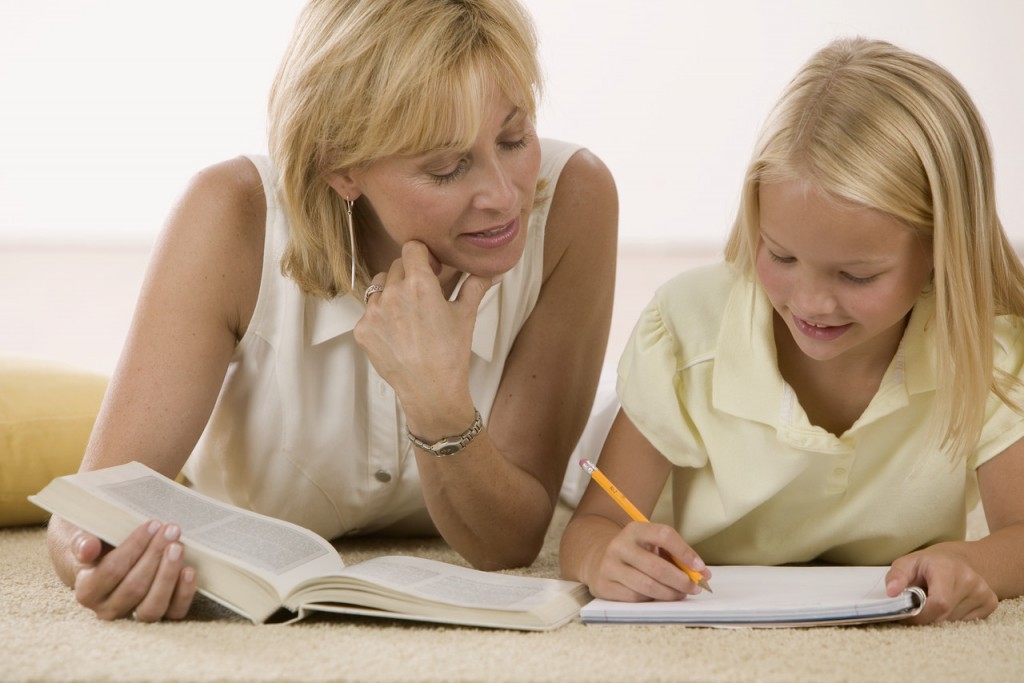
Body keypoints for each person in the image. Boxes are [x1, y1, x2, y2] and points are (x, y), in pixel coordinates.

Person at [47, 0, 617, 622]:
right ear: (341, 167)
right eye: (448, 167)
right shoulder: (229, 217)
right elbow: (87, 512)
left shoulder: (571, 199)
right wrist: (95, 562)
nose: (506, 196)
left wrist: (436, 399)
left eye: (514, 138)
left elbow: (509, 543)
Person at [560, 37, 1024, 625]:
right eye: (780, 257)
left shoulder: (985, 349)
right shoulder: (686, 331)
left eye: (856, 275)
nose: (809, 302)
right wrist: (604, 552)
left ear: (941, 250)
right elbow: (590, 528)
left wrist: (968, 559)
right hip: (616, 422)